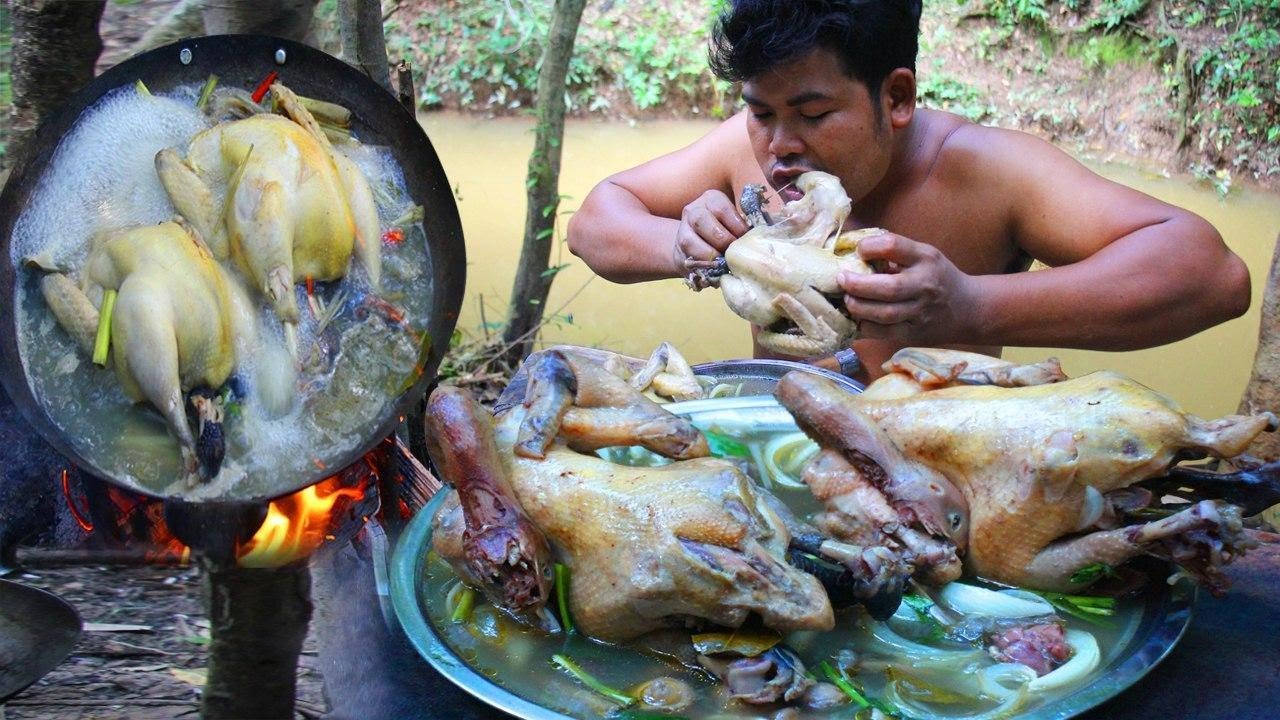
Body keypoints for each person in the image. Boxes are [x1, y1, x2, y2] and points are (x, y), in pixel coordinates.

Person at [564, 0, 1250, 382]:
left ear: (895, 98)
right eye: (761, 112)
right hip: (779, 456)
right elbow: (595, 221)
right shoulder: (744, 149)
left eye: (813, 114)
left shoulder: (988, 171)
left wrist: (971, 304)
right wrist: (689, 246)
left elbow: (1211, 274)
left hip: (942, 484)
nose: (779, 147)